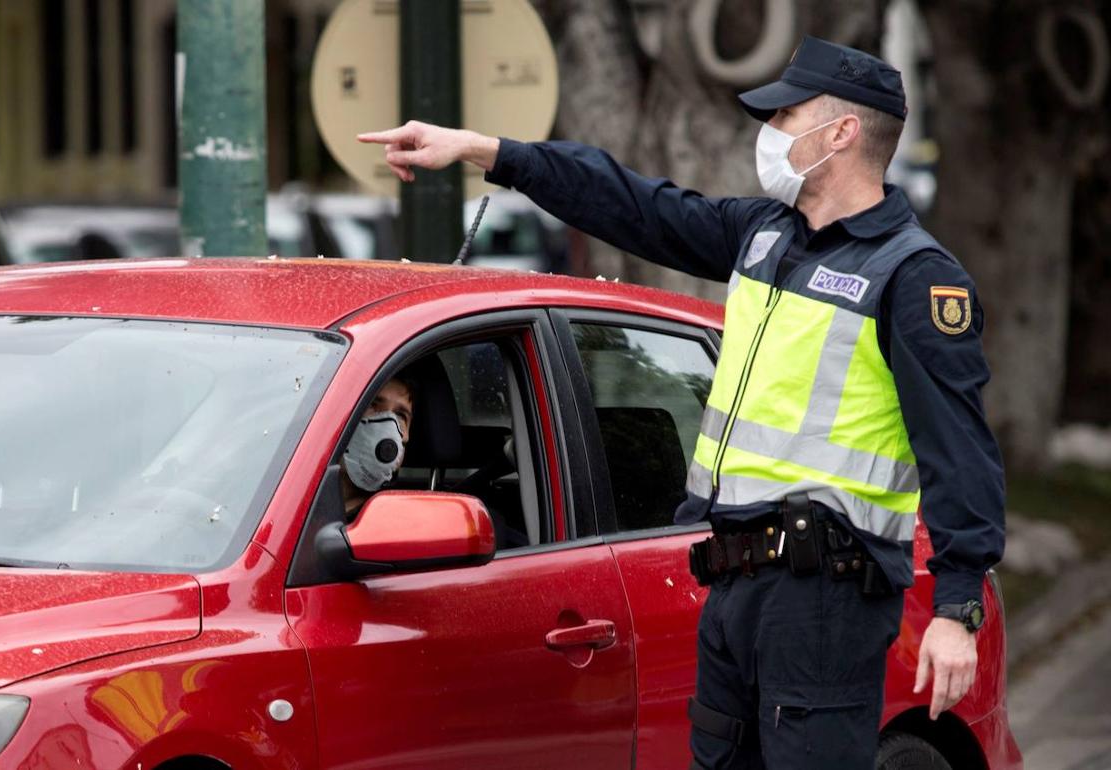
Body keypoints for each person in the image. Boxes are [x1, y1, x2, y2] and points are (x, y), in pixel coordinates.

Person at [359, 35, 1005, 769]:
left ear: (841, 133)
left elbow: (961, 454)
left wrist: (958, 610)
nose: (769, 135)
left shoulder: (914, 278)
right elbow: (631, 203)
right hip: (731, 587)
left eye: (785, 118)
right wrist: (487, 151)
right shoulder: (766, 235)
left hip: (826, 603)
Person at [341, 375, 415, 519]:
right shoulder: (290, 495)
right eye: (372, 405)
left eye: (400, 415)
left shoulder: (394, 523)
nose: (388, 427)